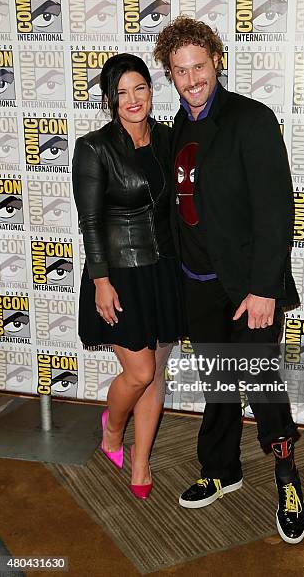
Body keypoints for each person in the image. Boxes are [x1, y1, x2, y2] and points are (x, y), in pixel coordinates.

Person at [154, 17, 304, 543]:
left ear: (216, 60)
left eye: (199, 66)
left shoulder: (251, 118)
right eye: (180, 71)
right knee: (218, 384)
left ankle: (287, 475)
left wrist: (263, 287)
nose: (192, 79)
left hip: (247, 287)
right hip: (197, 283)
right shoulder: (176, 131)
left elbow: (275, 209)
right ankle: (222, 469)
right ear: (169, 75)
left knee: (261, 385)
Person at [72, 53, 184, 500]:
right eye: (121, 92)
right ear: (109, 99)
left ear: (152, 91)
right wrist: (101, 280)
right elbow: (91, 221)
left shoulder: (169, 139)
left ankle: (141, 462)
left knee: (156, 373)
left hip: (165, 271)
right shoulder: (94, 147)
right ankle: (113, 429)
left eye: (140, 88)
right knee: (137, 372)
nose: (132, 99)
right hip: (118, 274)